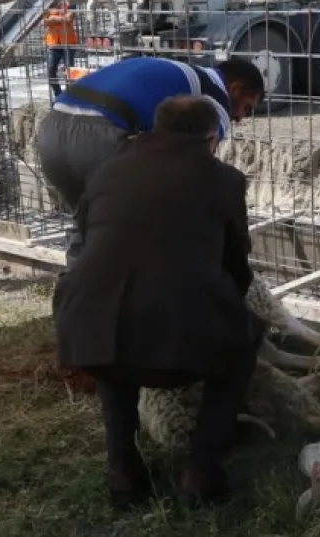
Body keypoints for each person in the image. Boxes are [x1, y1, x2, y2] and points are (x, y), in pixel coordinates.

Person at [53, 95, 265, 509]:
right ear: (211, 139)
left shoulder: (106, 168)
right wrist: (224, 314)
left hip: (85, 329)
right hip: (175, 340)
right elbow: (237, 266)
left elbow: (85, 239)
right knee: (243, 339)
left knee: (113, 351)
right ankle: (202, 471)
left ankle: (122, 471)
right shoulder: (223, 180)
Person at [36, 55, 266, 266]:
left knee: (89, 225)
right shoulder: (214, 93)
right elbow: (198, 162)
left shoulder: (174, 71)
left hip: (51, 134)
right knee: (139, 231)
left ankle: (77, 298)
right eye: (246, 107)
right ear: (235, 88)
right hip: (100, 136)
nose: (239, 118)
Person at [43, 0, 79, 98]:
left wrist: (53, 19)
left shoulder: (70, 6)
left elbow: (69, 19)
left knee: (70, 71)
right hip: (53, 43)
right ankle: (58, 95)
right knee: (51, 70)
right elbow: (44, 22)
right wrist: (59, 20)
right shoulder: (47, 7)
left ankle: (70, 95)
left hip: (68, 43)